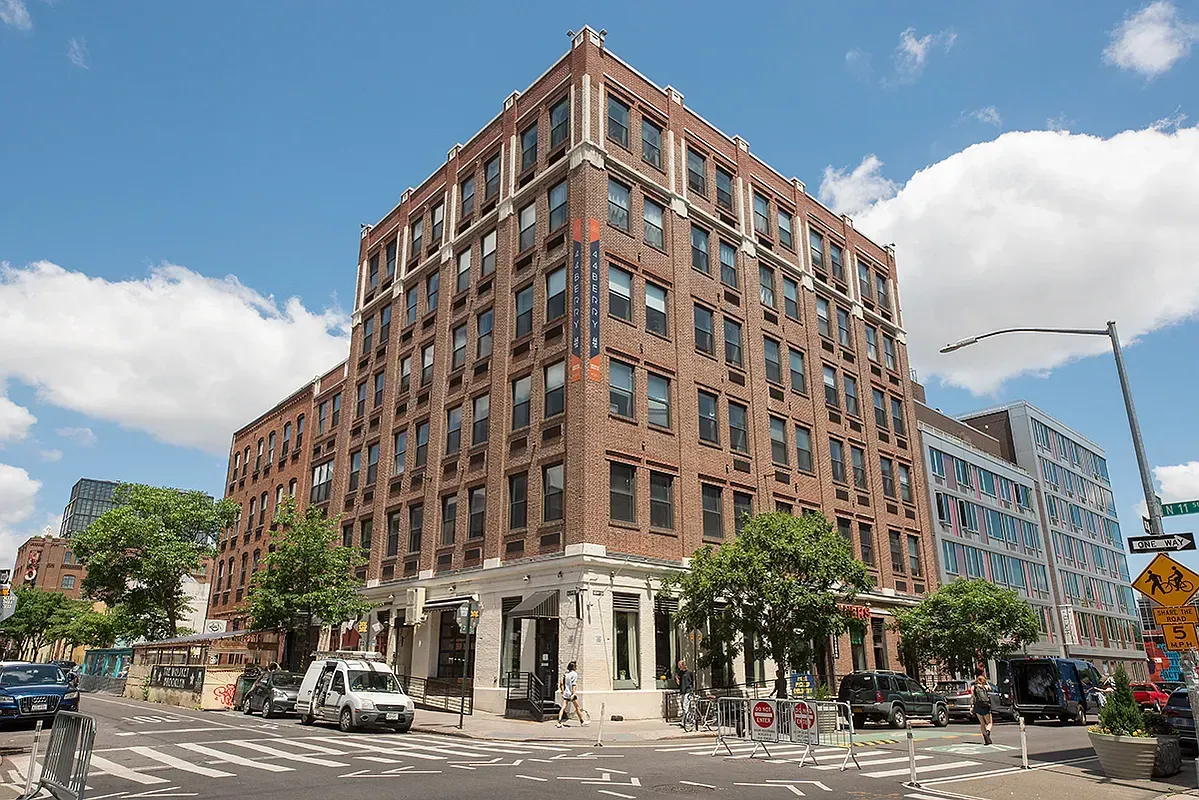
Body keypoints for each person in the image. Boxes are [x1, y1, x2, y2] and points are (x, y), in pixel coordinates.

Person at [557, 661, 587, 728]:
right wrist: (573, 693)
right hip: (571, 693)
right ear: (574, 667)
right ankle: (582, 721)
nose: (576, 667)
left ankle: (559, 721)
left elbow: (561, 683)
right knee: (577, 707)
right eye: (576, 666)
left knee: (563, 707)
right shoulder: (574, 674)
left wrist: (562, 691)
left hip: (566, 693)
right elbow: (574, 684)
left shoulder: (566, 674)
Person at [972, 670, 993, 745]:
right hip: (985, 706)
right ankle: (987, 732)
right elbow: (990, 689)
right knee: (989, 723)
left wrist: (971, 707)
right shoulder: (985, 687)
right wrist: (986, 682)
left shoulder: (973, 687)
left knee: (982, 723)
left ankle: (984, 736)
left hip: (977, 706)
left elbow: (972, 698)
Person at [676, 659, 696, 727]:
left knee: (685, 706)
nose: (679, 667)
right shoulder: (680, 673)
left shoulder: (689, 672)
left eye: (680, 665)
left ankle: (684, 721)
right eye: (679, 666)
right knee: (687, 706)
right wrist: (677, 679)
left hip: (688, 691)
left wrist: (692, 690)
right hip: (682, 690)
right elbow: (679, 682)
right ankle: (691, 719)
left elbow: (693, 681)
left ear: (683, 665)